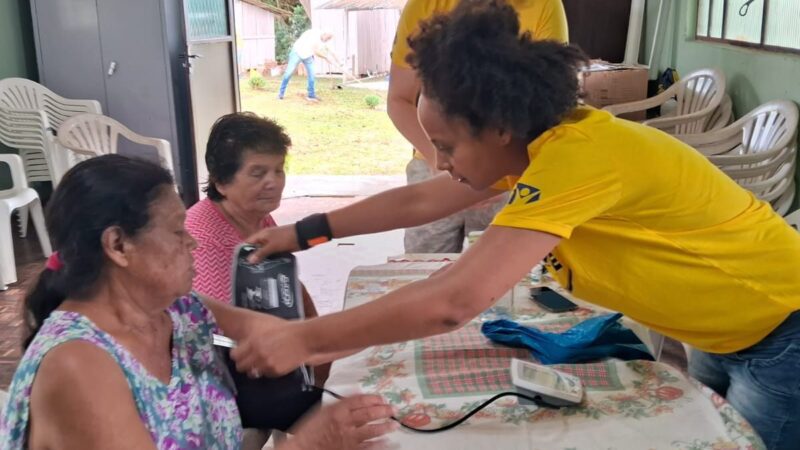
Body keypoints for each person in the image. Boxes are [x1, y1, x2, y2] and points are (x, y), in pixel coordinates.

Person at [230, 1, 800, 449]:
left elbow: (453, 301)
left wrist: (303, 339)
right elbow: (417, 204)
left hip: (780, 329)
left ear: (498, 127)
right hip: (723, 327)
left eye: (447, 145)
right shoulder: (534, 146)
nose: (440, 159)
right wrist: (304, 233)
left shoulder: (579, 158)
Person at [0, 155, 396, 450]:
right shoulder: (79, 366)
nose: (192, 243)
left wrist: (412, 320)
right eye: (177, 232)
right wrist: (308, 444)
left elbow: (297, 338)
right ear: (118, 245)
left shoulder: (179, 310)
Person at [186, 112, 329, 448]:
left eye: (278, 169)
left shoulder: (254, 215)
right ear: (221, 181)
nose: (274, 181)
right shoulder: (204, 236)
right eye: (258, 172)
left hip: (265, 357)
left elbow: (289, 283)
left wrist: (316, 337)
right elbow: (225, 331)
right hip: (221, 375)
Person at [388, 0, 568, 253]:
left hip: (506, 168)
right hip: (434, 164)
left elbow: (547, 103)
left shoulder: (544, 5)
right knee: (423, 267)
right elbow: (399, 100)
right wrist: (440, 160)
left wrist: (499, 172)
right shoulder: (425, 4)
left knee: (504, 274)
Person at [278, 29, 340, 101]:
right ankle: (280, 94)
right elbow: (316, 52)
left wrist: (340, 64)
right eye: (328, 38)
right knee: (288, 73)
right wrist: (326, 58)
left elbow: (333, 52)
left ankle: (311, 95)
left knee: (312, 74)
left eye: (330, 38)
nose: (328, 40)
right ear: (324, 34)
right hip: (297, 52)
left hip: (308, 55)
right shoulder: (315, 36)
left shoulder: (324, 40)